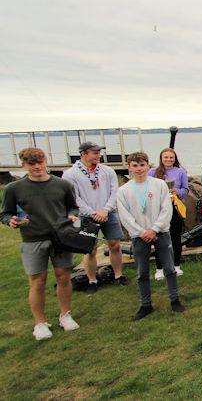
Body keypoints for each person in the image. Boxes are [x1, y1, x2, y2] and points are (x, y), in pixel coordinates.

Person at [1, 148, 81, 340]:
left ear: (46, 161)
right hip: (33, 239)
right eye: (31, 163)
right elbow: (5, 213)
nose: (37, 167)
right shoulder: (14, 188)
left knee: (63, 277)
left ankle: (65, 315)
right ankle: (40, 323)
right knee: (38, 282)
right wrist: (10, 220)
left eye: (40, 162)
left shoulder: (63, 184)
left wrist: (73, 215)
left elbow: (73, 207)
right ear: (24, 165)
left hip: (61, 238)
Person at [116, 152, 186, 321]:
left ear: (148, 166)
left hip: (160, 231)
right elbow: (125, 216)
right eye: (135, 166)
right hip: (139, 235)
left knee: (169, 268)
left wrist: (154, 229)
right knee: (142, 271)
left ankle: (174, 299)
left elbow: (166, 209)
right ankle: (145, 304)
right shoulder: (124, 190)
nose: (139, 169)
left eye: (142, 165)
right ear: (129, 168)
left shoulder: (159, 185)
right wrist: (141, 232)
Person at [62, 141, 127, 294]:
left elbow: (114, 191)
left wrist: (106, 210)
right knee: (89, 250)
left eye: (98, 152)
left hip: (108, 213)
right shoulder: (70, 174)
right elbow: (74, 198)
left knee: (115, 245)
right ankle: (92, 280)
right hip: (86, 216)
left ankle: (119, 275)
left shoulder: (107, 171)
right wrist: (92, 213)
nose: (98, 155)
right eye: (94, 152)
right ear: (83, 154)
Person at [148, 148, 189, 280]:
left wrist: (178, 192)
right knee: (159, 239)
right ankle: (159, 268)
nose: (168, 160)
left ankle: (176, 265)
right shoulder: (153, 172)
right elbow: (147, 189)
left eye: (171, 157)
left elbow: (186, 190)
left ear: (175, 158)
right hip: (158, 209)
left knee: (176, 238)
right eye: (166, 157)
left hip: (175, 207)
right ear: (161, 158)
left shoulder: (180, 172)